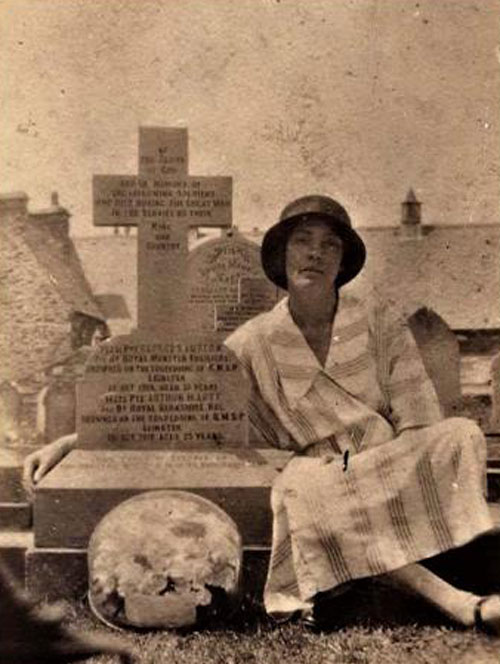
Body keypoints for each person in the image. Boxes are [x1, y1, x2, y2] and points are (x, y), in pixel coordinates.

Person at [24, 194, 500, 634]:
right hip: (324, 474)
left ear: (342, 262)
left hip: (388, 464)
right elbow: (188, 414)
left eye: (329, 245)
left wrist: (394, 479)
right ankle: (459, 603)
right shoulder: (252, 344)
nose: (315, 254)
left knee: (459, 434)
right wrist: (73, 441)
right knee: (304, 487)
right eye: (303, 242)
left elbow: (418, 419)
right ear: (282, 256)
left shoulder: (379, 324)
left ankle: (367, 568)